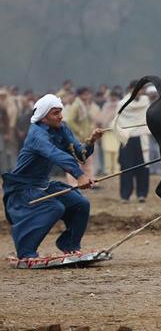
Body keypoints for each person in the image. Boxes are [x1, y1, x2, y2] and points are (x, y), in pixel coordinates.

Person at [1, 94, 104, 259]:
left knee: (81, 203)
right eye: (55, 113)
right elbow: (54, 154)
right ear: (43, 117)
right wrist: (79, 175)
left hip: (43, 185)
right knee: (54, 207)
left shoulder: (62, 128)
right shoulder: (36, 135)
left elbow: (80, 154)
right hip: (23, 189)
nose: (60, 116)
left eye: (60, 112)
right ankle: (26, 251)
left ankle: (69, 245)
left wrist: (91, 141)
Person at [116, 81, 152, 203]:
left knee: (143, 167)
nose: (140, 92)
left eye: (142, 89)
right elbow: (118, 120)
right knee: (127, 168)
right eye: (138, 89)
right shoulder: (122, 103)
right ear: (131, 89)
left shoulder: (145, 101)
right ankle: (125, 196)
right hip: (127, 139)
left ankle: (142, 194)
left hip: (142, 138)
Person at [64, 87, 100, 185]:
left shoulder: (85, 105)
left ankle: (89, 181)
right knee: (75, 161)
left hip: (86, 137)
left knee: (87, 160)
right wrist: (79, 131)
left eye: (89, 94)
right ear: (80, 95)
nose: (88, 96)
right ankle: (73, 183)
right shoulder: (76, 105)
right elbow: (70, 120)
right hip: (77, 138)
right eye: (85, 94)